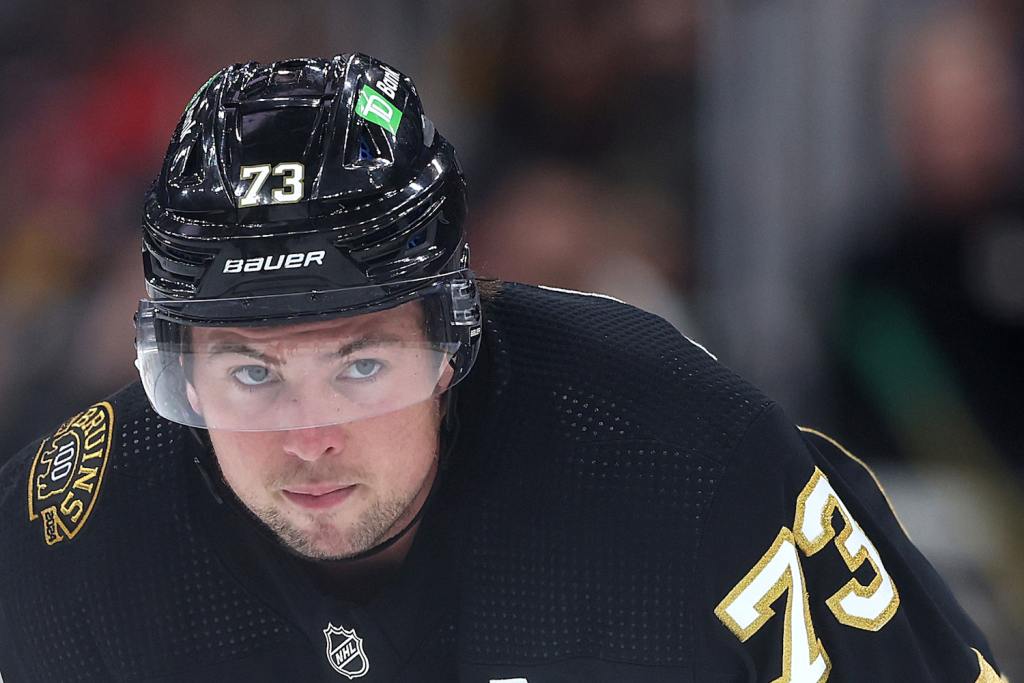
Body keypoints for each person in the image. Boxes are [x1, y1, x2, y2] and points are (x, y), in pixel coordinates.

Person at [0, 53, 1006, 682]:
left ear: (451, 340)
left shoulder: (687, 459)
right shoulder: (64, 552)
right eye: (250, 375)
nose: (305, 436)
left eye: (358, 363)